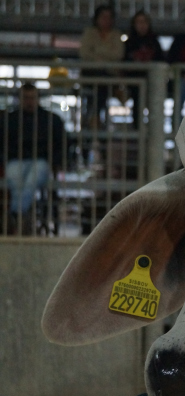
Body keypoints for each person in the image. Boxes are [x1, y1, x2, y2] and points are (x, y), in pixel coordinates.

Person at [0, 84, 65, 235]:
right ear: (20, 99)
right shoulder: (9, 120)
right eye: (26, 98)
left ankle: (16, 214)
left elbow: (60, 145)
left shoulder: (51, 120)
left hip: (41, 161)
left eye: (32, 98)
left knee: (30, 180)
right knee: (16, 179)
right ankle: (22, 218)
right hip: (16, 160)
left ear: (38, 99)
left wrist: (55, 162)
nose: (29, 101)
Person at [79, 5, 125, 125]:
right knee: (102, 83)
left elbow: (118, 54)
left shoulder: (116, 34)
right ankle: (97, 119)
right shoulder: (89, 33)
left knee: (101, 85)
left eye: (109, 17)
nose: (106, 20)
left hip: (108, 74)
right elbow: (84, 53)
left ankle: (94, 118)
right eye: (103, 17)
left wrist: (96, 52)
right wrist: (106, 56)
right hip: (91, 74)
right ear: (97, 18)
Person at [124, 10, 164, 127]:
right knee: (137, 105)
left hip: (152, 82)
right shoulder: (129, 43)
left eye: (144, 22)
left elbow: (161, 60)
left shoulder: (155, 42)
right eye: (138, 22)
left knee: (154, 107)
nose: (142, 25)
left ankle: (154, 130)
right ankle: (137, 130)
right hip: (134, 82)